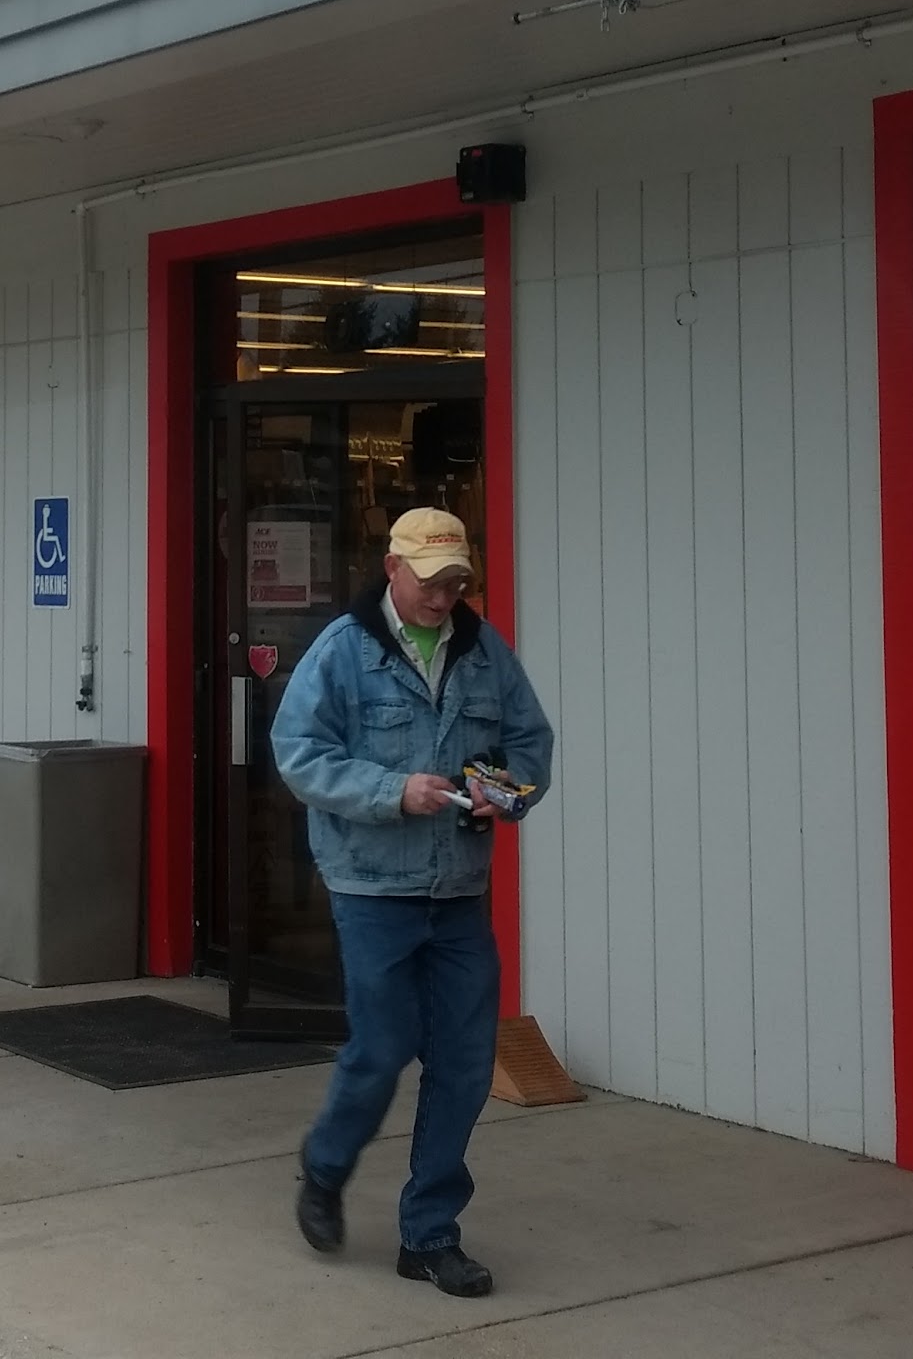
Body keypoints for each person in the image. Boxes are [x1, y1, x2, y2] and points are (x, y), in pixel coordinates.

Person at [270, 507, 554, 1299]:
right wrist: (394, 791)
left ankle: (429, 1236)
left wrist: (507, 791)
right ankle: (326, 1166)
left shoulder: (485, 652)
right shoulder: (343, 650)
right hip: (372, 888)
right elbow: (300, 754)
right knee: (383, 1046)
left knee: (464, 1064)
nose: (443, 597)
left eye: (456, 582)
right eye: (430, 582)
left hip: (458, 890)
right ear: (393, 569)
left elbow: (529, 743)